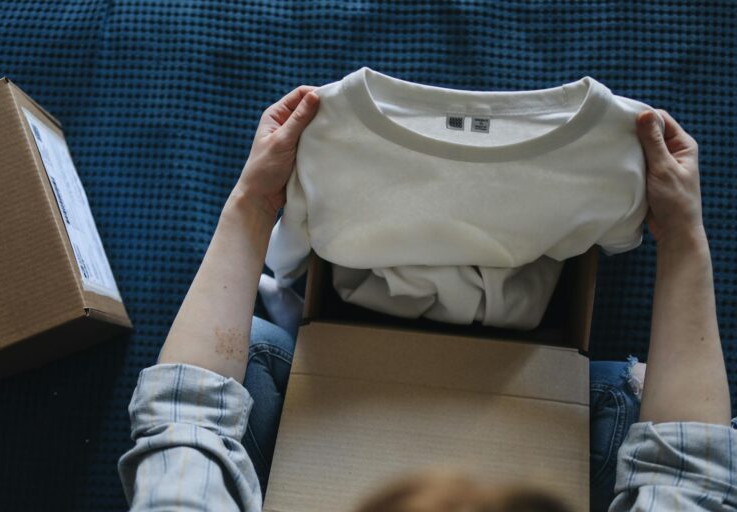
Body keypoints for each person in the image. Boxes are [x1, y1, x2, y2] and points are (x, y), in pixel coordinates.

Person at [117, 83, 736, 511]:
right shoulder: (620, 146)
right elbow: (689, 474)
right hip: (538, 415)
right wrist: (682, 236)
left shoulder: (329, 127)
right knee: (621, 400)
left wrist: (255, 205)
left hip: (336, 406)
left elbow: (185, 427)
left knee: (254, 350)